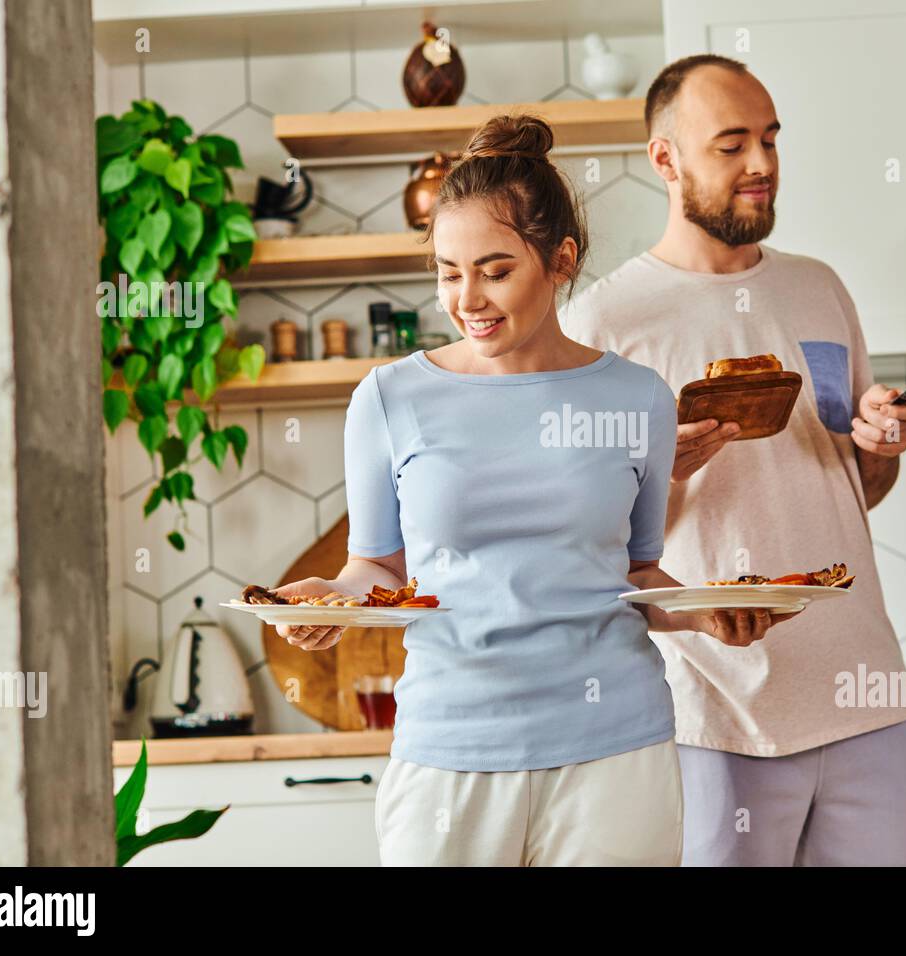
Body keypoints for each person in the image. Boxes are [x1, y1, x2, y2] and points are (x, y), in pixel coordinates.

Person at [271, 113, 799, 867]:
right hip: (449, 747)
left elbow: (633, 575)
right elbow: (377, 570)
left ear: (561, 259)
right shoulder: (389, 397)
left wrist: (707, 618)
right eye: (449, 273)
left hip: (614, 751)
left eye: (494, 269)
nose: (468, 299)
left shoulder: (638, 398)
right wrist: (332, 596)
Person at [561, 55, 906, 866]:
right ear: (665, 159)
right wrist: (666, 473)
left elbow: (855, 489)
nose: (761, 164)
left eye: (769, 139)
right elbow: (585, 542)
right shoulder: (606, 321)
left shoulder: (818, 289)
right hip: (711, 711)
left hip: (861, 691)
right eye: (731, 145)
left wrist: (881, 444)